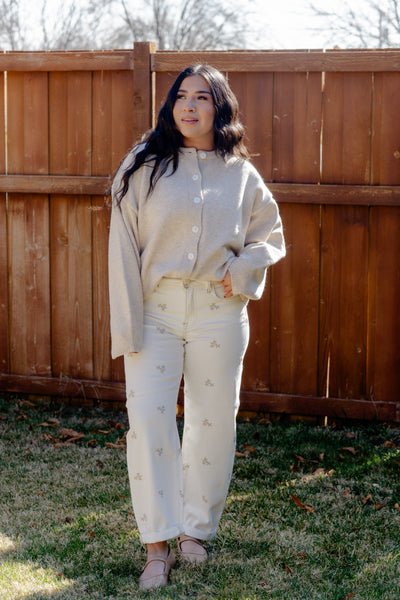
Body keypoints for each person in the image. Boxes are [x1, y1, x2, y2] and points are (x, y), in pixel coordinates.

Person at [108, 64, 285, 590]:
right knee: (149, 421)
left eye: (202, 97)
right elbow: (123, 247)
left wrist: (243, 270)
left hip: (219, 311)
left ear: (219, 107)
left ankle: (195, 531)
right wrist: (127, 322)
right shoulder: (144, 165)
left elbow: (270, 235)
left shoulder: (241, 174)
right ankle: (156, 546)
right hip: (156, 310)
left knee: (214, 420)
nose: (189, 105)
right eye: (181, 96)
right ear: (171, 106)